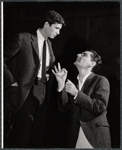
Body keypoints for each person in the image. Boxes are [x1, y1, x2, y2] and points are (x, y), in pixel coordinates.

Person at [4, 10, 65, 148]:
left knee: (38, 135)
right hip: (25, 92)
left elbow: (41, 66)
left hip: (42, 93)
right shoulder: (23, 38)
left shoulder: (49, 44)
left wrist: (45, 74)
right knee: (22, 136)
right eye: (56, 28)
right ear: (46, 24)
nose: (58, 33)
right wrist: (12, 82)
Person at [52, 49, 111, 148]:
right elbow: (64, 109)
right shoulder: (73, 83)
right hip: (75, 137)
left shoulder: (100, 80)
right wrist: (61, 86)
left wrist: (76, 93)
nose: (78, 54)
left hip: (95, 135)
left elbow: (100, 107)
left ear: (92, 63)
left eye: (84, 54)